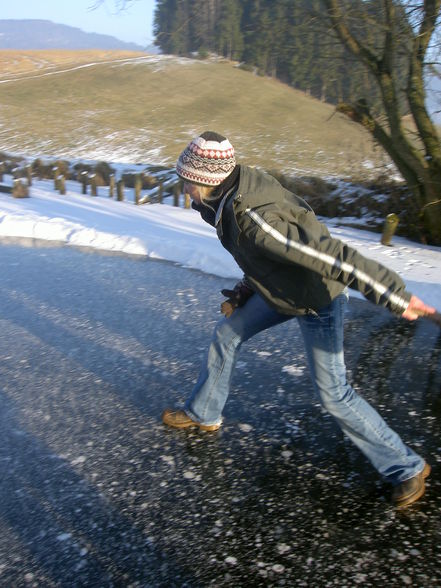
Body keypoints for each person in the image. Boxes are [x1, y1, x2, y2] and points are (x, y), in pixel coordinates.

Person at [162, 131, 436, 508]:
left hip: (317, 299)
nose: (183, 186)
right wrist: (246, 290)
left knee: (334, 394)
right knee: (227, 335)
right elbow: (259, 256)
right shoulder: (223, 198)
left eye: (186, 179)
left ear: (205, 179)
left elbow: (331, 256)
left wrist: (392, 294)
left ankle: (406, 468)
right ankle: (203, 412)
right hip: (277, 293)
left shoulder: (254, 216)